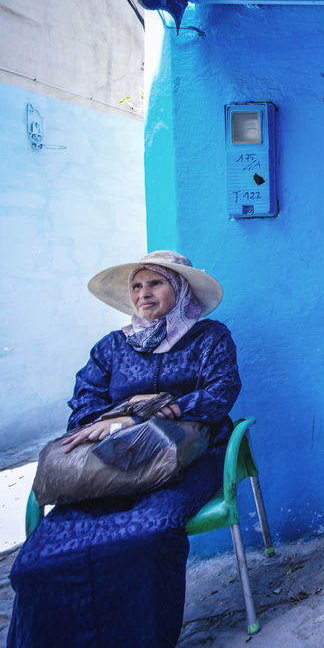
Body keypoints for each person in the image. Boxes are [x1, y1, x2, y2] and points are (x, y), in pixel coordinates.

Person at [7, 251, 241, 648]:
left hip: (187, 458)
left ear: (180, 289)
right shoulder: (111, 347)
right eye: (137, 285)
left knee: (148, 536)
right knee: (38, 558)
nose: (143, 293)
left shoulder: (210, 338)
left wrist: (159, 409)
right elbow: (83, 405)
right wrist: (126, 413)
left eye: (155, 283)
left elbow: (221, 393)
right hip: (111, 462)